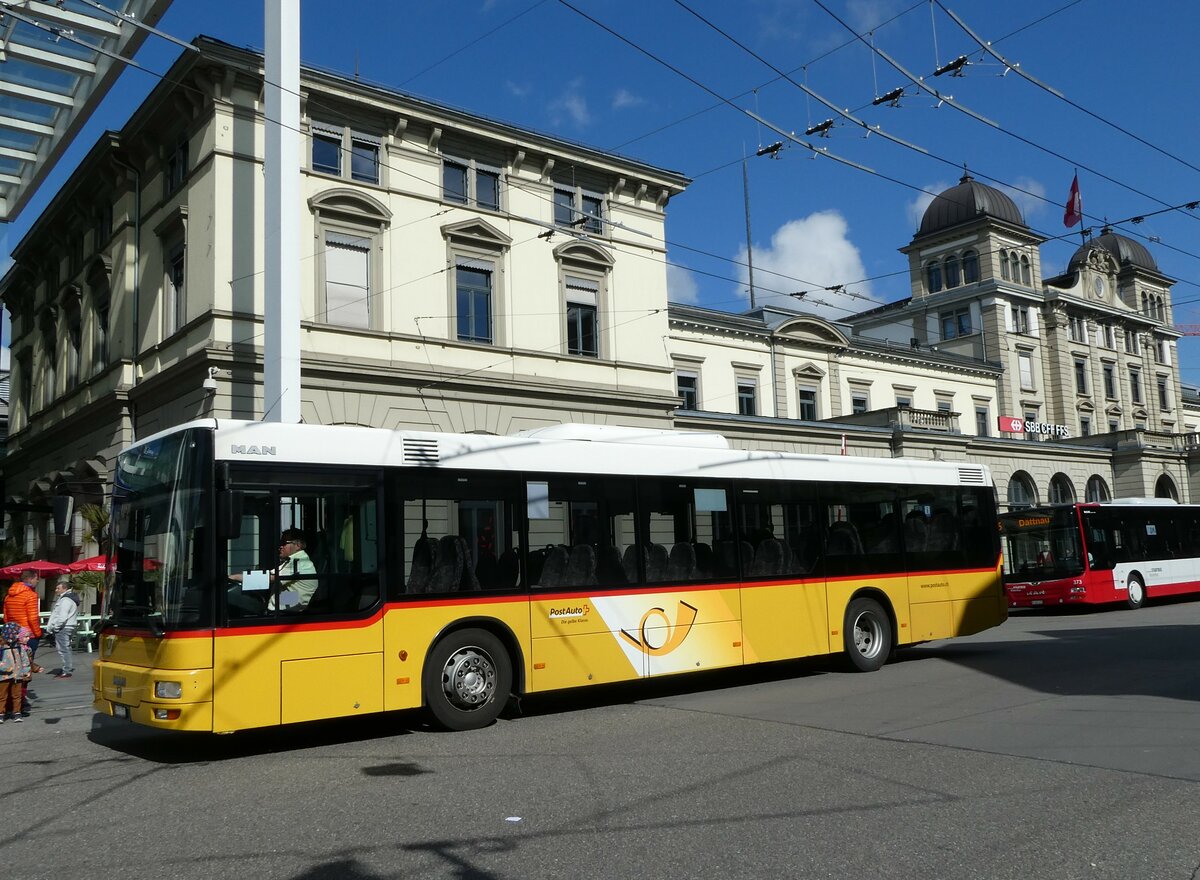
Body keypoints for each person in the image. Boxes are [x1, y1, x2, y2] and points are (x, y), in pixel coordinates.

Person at [3, 570, 43, 679]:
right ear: (30, 579)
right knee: (26, 664)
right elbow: (33, 618)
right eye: (36, 578)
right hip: (28, 634)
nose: (37, 581)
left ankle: (12, 690)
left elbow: (6, 618)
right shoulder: (31, 595)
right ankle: (22, 691)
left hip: (13, 635)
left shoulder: (8, 596)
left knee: (13, 663)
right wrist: (38, 633)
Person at [268, 530, 318, 611]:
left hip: (294, 608)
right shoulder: (292, 560)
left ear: (298, 545)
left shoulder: (298, 562)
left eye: (284, 543)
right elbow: (271, 574)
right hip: (295, 599)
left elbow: (271, 578)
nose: (280, 546)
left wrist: (243, 578)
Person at [43, 579, 81, 679]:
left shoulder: (65, 600)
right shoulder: (68, 599)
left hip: (64, 627)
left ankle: (66, 670)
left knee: (63, 649)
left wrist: (55, 627)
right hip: (67, 626)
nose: (56, 590)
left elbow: (62, 617)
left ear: (65, 588)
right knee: (65, 648)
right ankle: (66, 668)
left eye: (58, 588)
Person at [0, 622, 32, 722]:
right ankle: (1, 713)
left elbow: (25, 659)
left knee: (17, 695)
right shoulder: (1, 648)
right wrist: (4, 668)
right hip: (3, 676)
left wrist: (26, 670)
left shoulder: (19, 647)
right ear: (9, 634)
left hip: (17, 675)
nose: (18, 635)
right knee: (2, 696)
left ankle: (17, 713)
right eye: (16, 633)